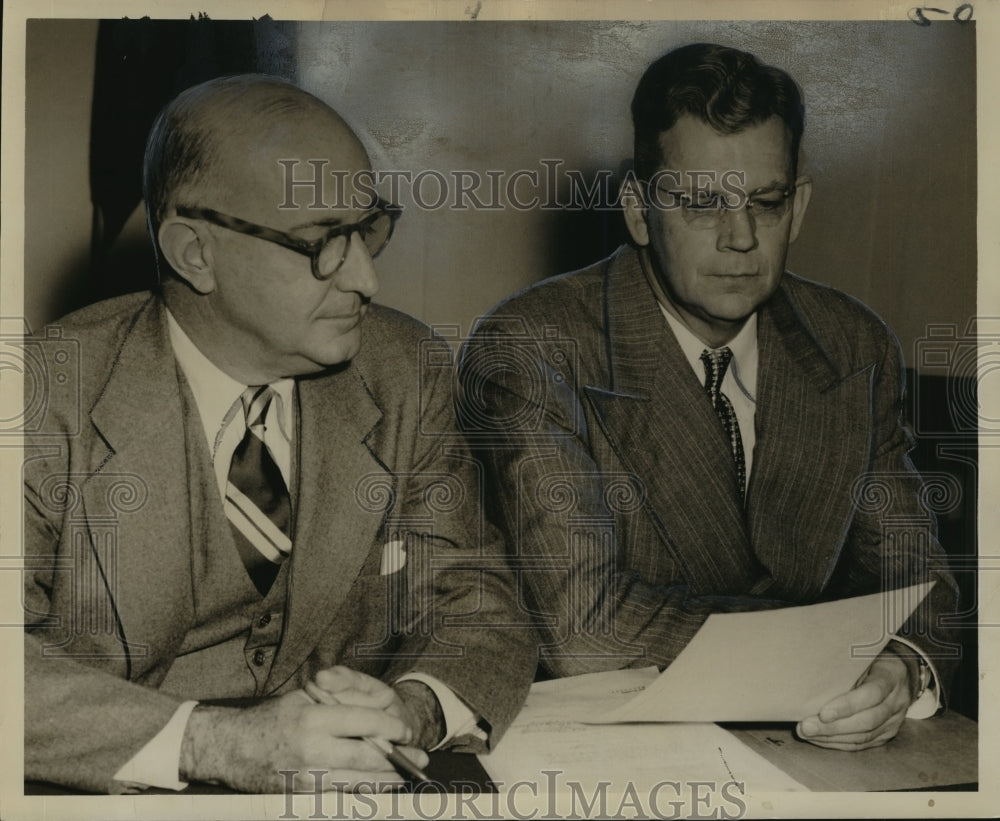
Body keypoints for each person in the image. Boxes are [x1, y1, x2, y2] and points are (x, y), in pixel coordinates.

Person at [23, 74, 535, 794]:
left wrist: (414, 707)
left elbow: (475, 600)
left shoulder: (405, 369)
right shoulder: (40, 395)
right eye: (323, 241)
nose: (365, 278)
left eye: (369, 231)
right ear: (195, 252)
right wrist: (213, 743)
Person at [457, 43, 959, 751]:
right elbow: (585, 628)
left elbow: (919, 582)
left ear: (800, 204)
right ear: (637, 210)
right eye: (702, 203)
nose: (742, 237)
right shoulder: (534, 347)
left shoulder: (853, 345)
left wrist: (900, 667)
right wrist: (829, 647)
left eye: (766, 200)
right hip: (610, 756)